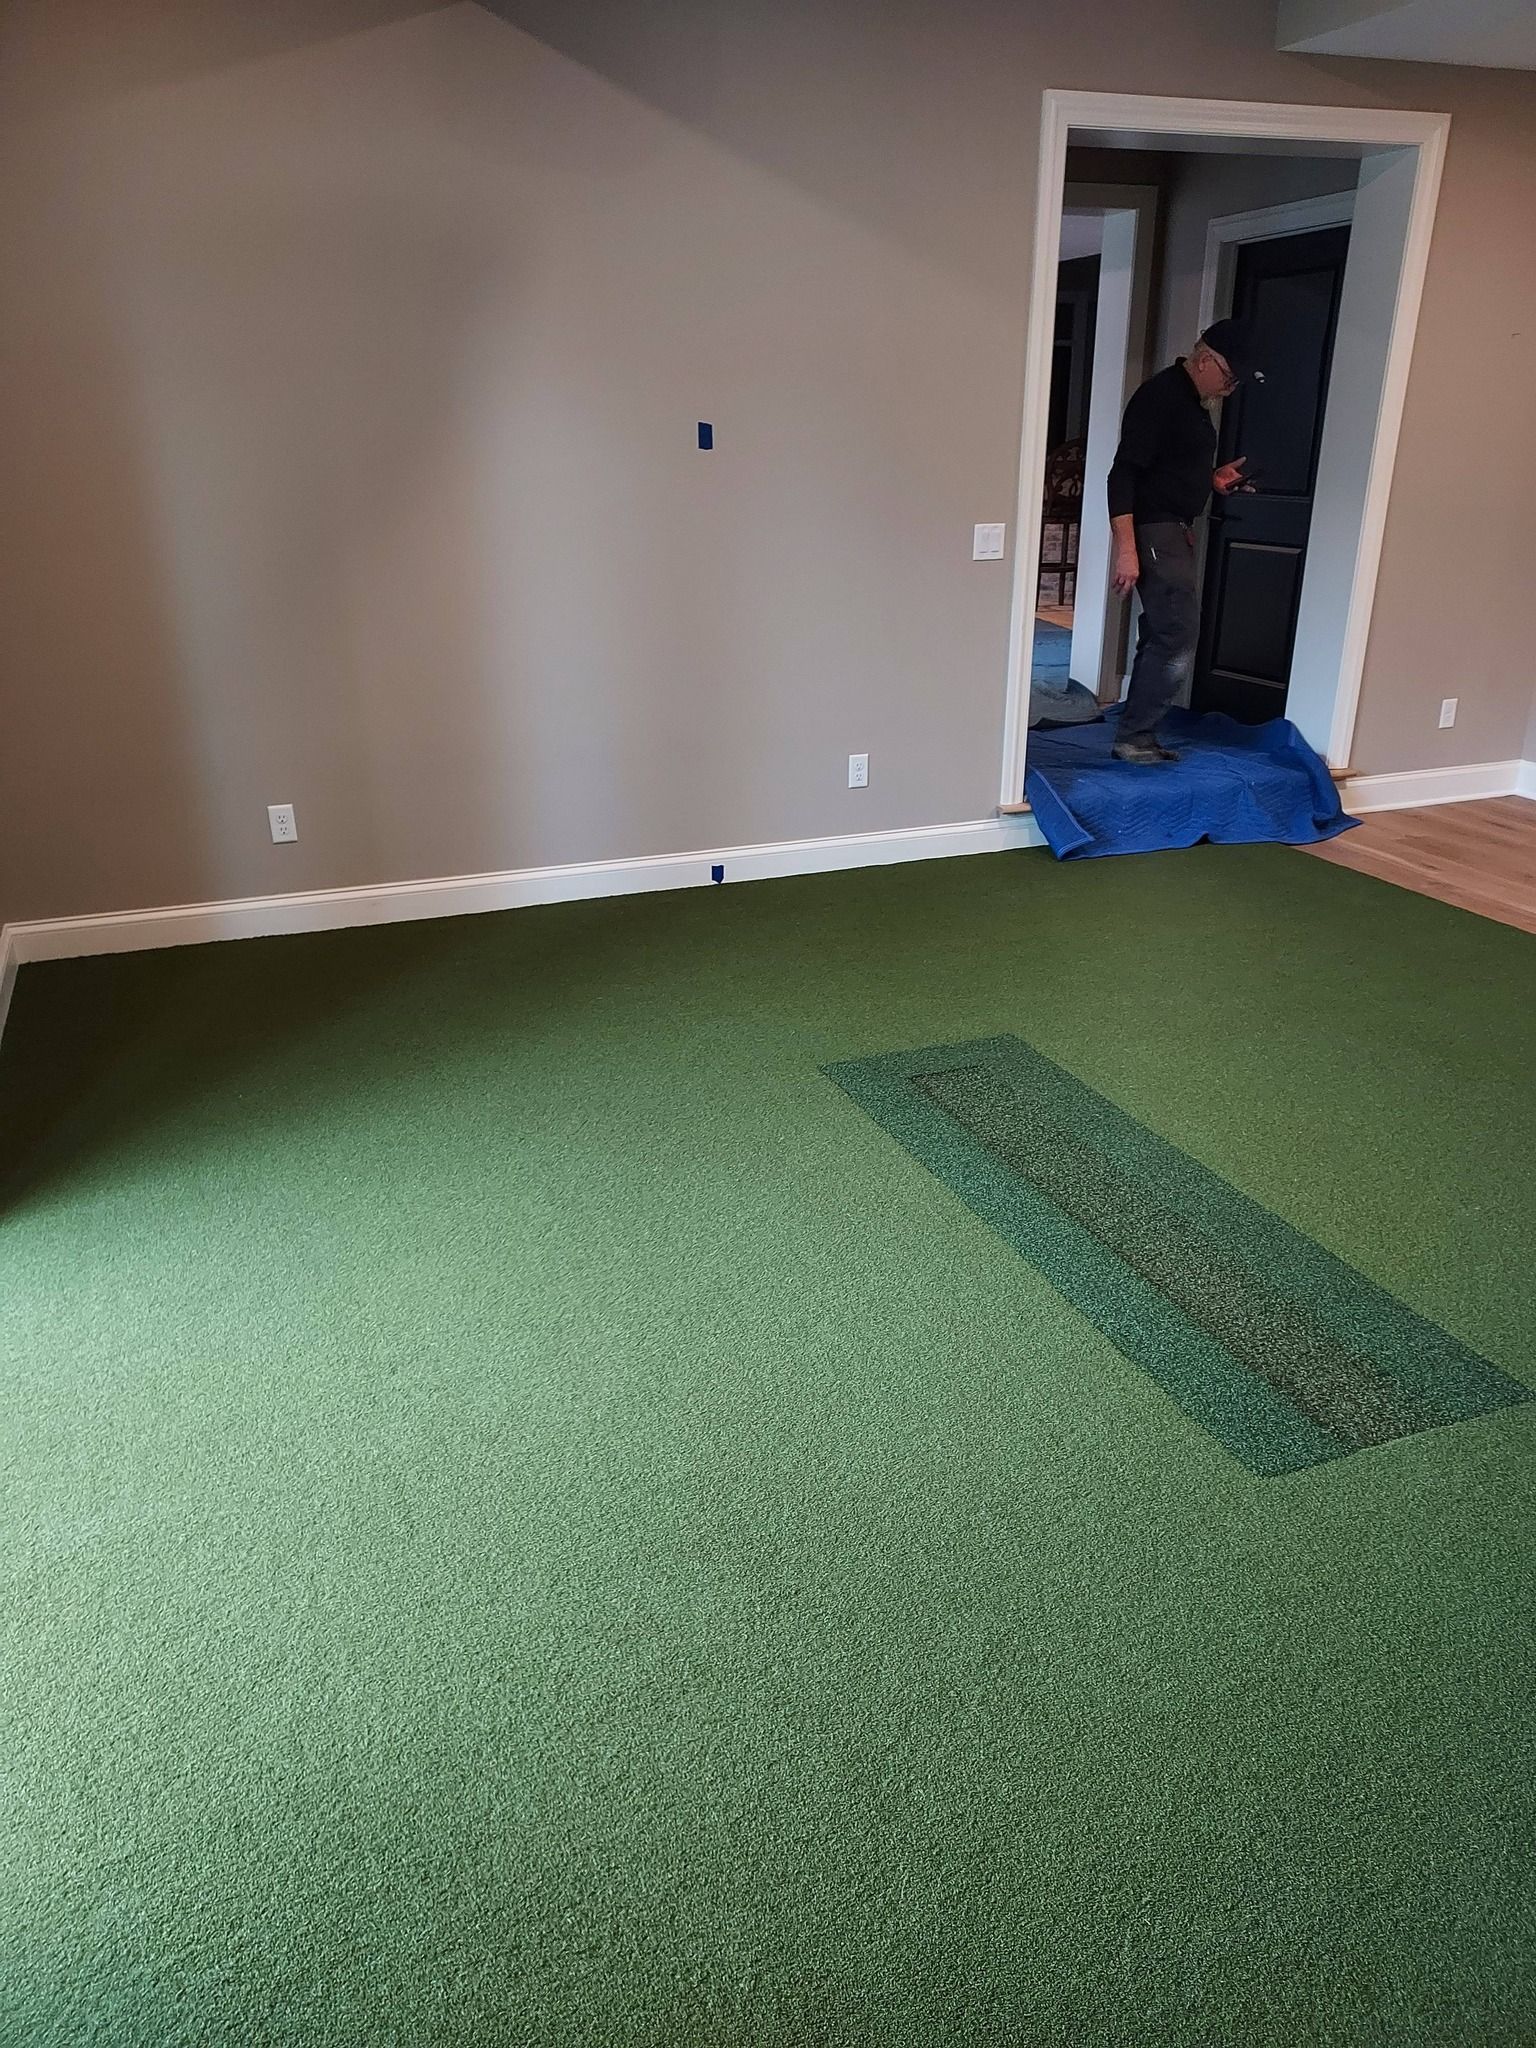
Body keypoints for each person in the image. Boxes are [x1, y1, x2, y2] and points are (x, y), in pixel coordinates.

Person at [1105, 318, 1263, 764]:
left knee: (1162, 630)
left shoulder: (1192, 404)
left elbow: (1167, 468)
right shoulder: (1160, 397)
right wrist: (1127, 549)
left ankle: (1137, 732)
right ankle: (1134, 737)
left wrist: (1212, 480)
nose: (1231, 389)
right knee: (1177, 632)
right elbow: (1123, 473)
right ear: (1205, 360)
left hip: (1173, 528)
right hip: (1155, 530)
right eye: (1229, 378)